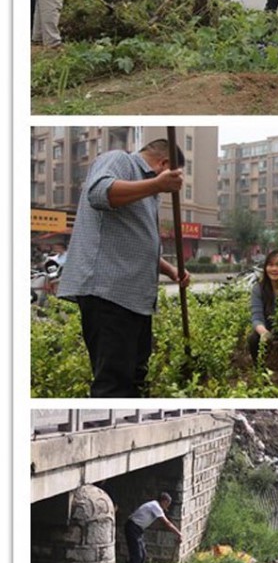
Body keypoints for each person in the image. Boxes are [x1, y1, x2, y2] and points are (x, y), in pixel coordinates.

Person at [57, 138, 191, 398]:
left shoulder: (148, 193)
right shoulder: (120, 160)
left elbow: (135, 243)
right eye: (175, 174)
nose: (176, 183)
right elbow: (98, 192)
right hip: (109, 293)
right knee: (114, 381)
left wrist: (170, 270)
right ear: (164, 164)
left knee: (135, 376)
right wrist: (156, 184)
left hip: (134, 299)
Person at [124, 493, 182, 563]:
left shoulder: (155, 506)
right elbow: (166, 523)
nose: (167, 507)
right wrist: (178, 533)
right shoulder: (155, 506)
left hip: (138, 530)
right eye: (167, 504)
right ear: (164, 501)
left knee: (143, 555)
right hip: (133, 528)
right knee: (137, 556)